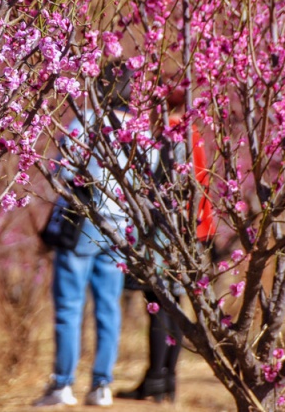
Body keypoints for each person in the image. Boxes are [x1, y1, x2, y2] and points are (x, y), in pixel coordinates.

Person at [35, 67, 160, 408]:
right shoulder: (142, 130)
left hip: (82, 225)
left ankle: (63, 384)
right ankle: (101, 385)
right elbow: (148, 179)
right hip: (121, 229)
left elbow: (63, 169)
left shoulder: (85, 121)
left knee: (70, 307)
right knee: (109, 308)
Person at [117, 86, 216, 403]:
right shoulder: (193, 134)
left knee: (158, 302)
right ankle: (164, 379)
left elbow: (163, 188)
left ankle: (157, 378)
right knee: (173, 302)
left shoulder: (173, 136)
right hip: (193, 230)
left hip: (168, 230)